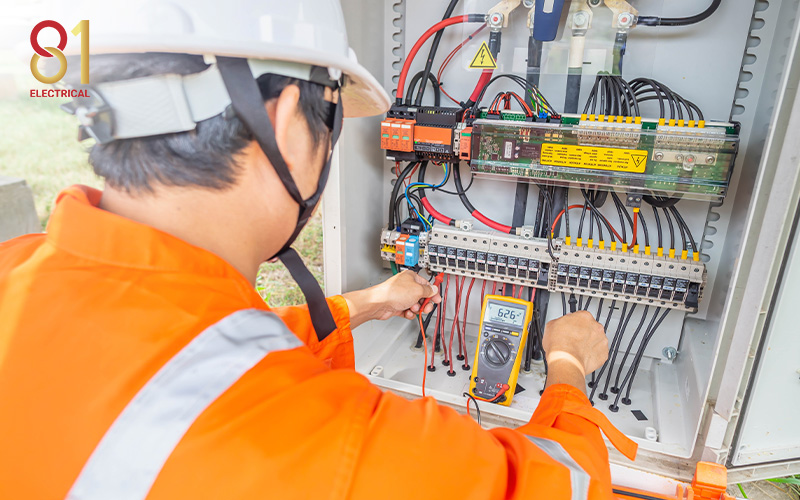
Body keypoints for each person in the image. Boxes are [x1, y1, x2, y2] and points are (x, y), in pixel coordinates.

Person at [0, 1, 636, 498]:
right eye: (333, 116)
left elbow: (182, 359)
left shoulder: (20, 271)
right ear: (284, 121)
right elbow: (562, 484)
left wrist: (363, 303)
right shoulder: (346, 454)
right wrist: (566, 365)